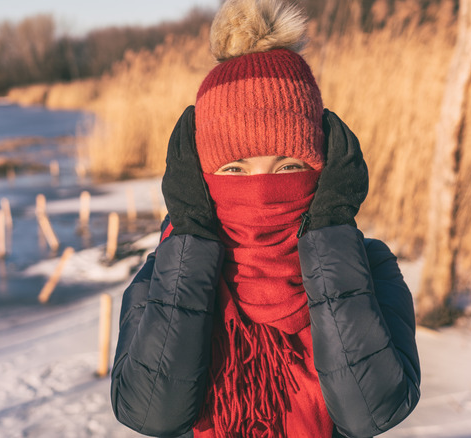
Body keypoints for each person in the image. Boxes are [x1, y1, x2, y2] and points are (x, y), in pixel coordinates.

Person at [110, 1, 420, 437]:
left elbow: (370, 411)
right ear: (201, 177)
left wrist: (330, 231)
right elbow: (150, 413)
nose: (261, 187)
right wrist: (192, 238)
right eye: (235, 169)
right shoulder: (164, 273)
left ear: (323, 168)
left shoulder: (367, 267)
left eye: (289, 166)